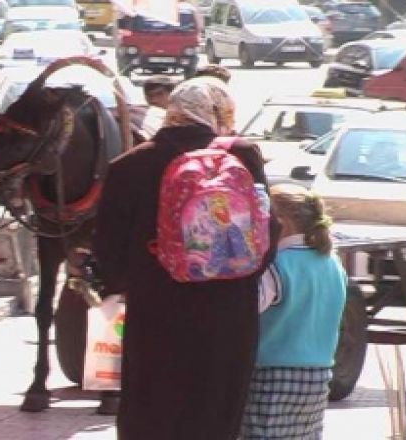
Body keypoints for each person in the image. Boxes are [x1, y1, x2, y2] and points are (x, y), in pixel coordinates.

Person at [93, 77, 279, 439]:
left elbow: (108, 253)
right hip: (228, 314)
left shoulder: (127, 166)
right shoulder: (240, 153)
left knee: (152, 408)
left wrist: (134, 283)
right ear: (219, 110)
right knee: (215, 408)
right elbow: (265, 232)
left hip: (156, 311)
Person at [242, 184, 347, 439]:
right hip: (318, 375)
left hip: (271, 374)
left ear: (281, 224)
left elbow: (246, 312)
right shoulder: (333, 265)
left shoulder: (275, 266)